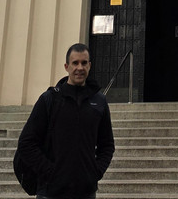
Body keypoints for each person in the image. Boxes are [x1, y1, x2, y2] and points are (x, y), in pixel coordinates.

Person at [15, 43, 116, 199]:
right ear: (66, 66)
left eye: (84, 63)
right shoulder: (49, 100)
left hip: (86, 193)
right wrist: (51, 172)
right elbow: (26, 143)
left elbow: (107, 145)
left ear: (90, 66)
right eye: (75, 63)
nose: (80, 68)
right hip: (51, 192)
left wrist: (95, 172)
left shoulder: (99, 102)